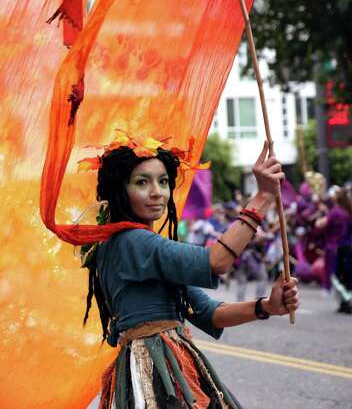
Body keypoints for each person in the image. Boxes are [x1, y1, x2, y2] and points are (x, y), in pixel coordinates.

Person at [81, 140, 299, 409]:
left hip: (160, 365)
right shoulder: (131, 241)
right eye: (141, 182)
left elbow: (210, 314)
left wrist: (266, 306)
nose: (157, 192)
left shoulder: (133, 244)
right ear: (119, 191)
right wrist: (263, 198)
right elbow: (216, 261)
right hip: (156, 371)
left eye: (163, 181)